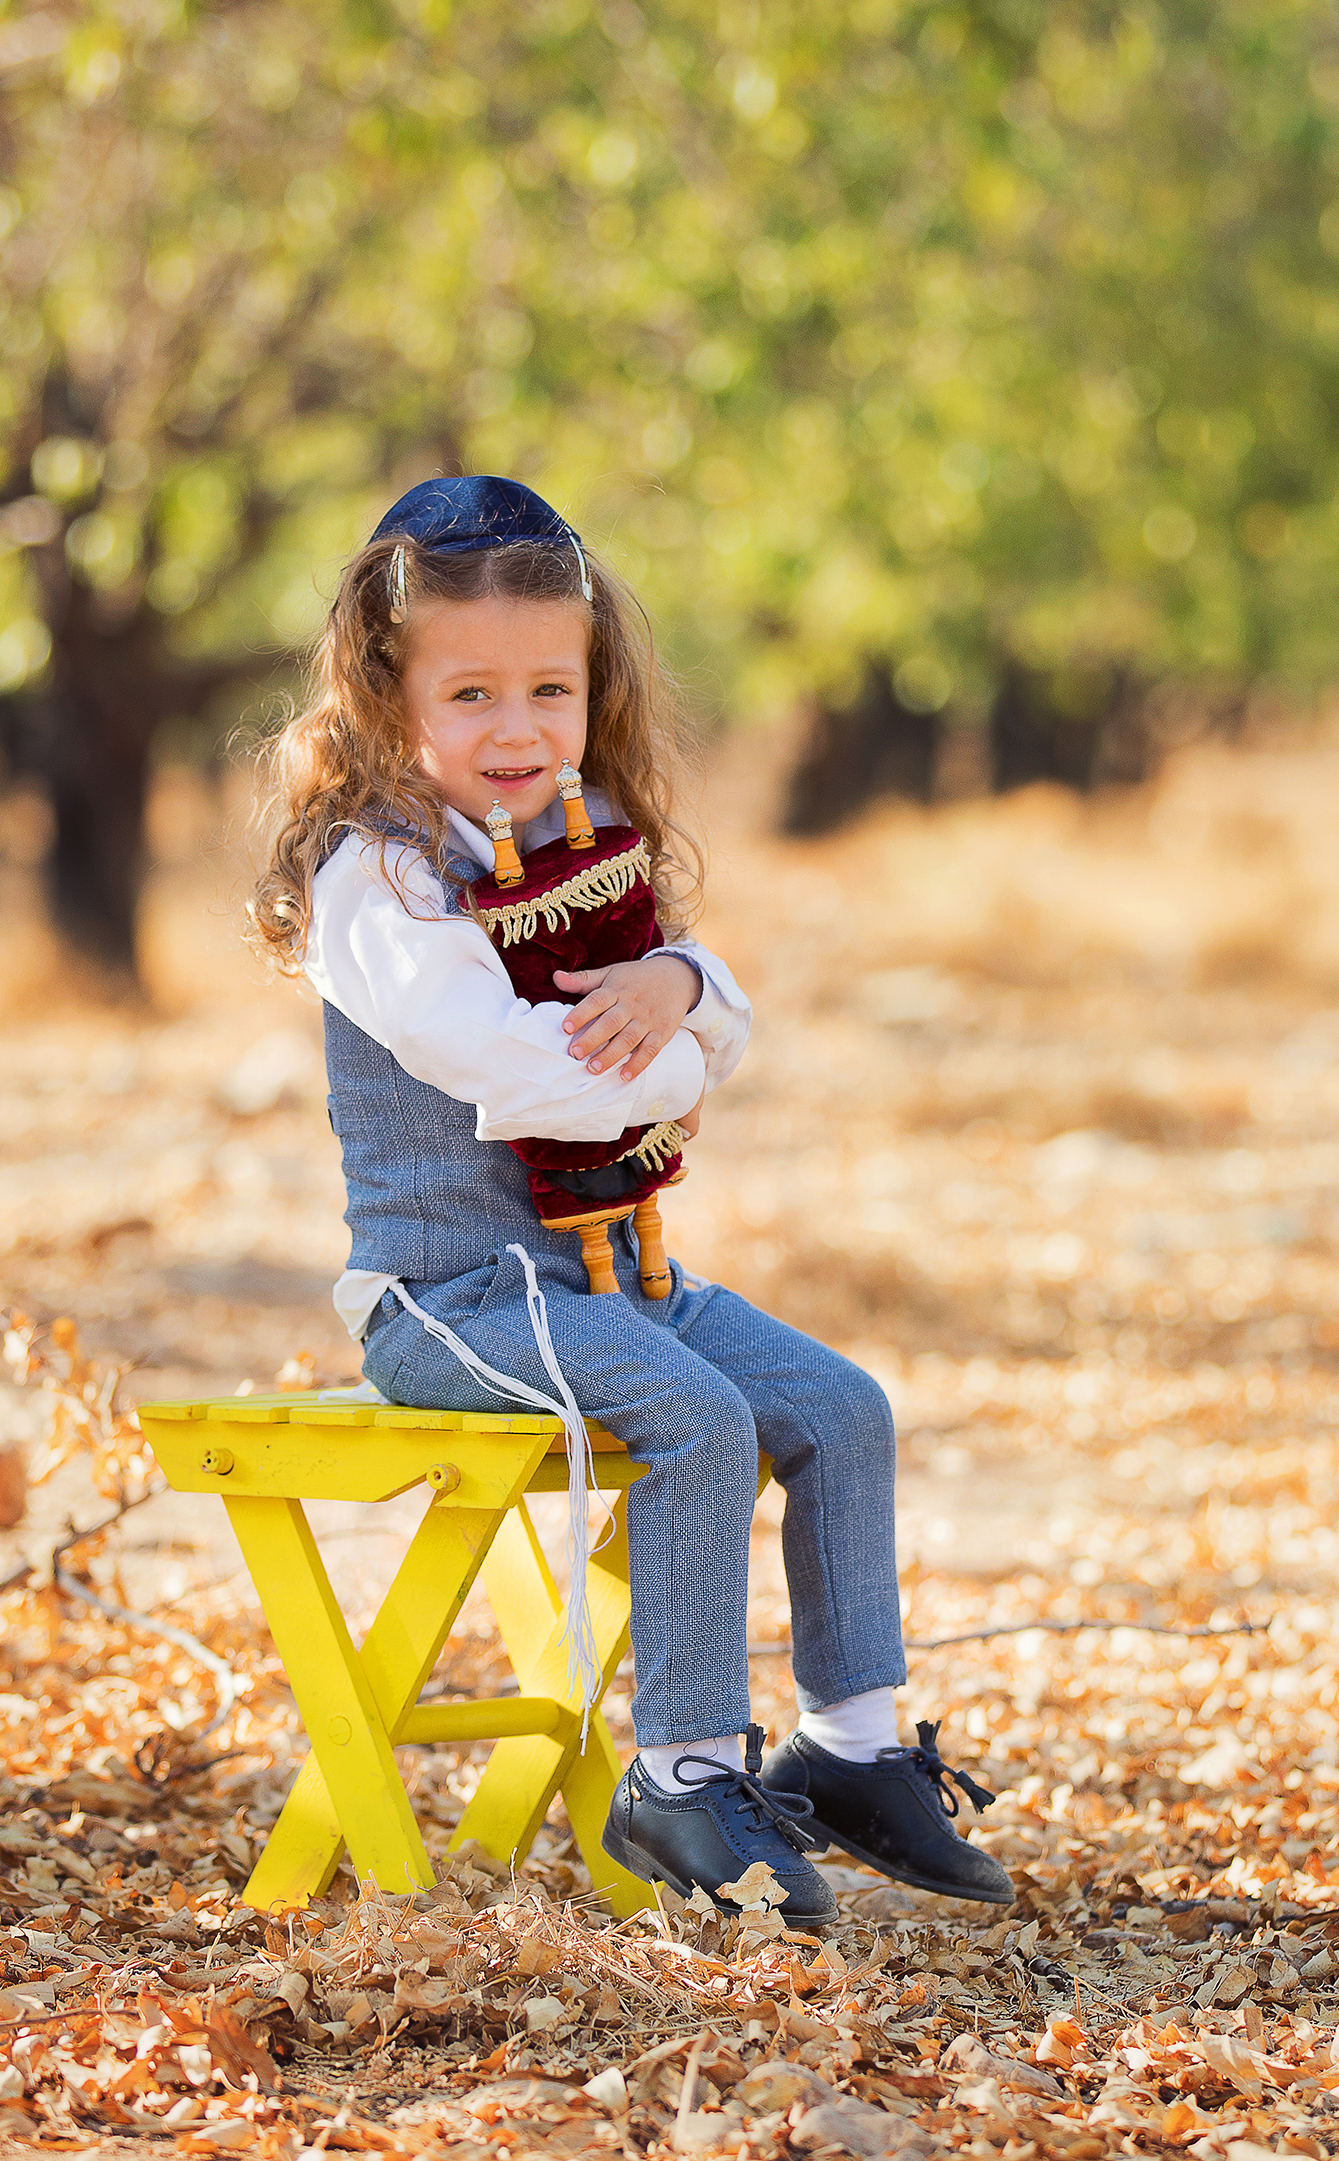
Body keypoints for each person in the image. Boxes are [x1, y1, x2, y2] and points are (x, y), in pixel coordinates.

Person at [245, 475, 1010, 1928]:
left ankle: (849, 1749)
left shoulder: (573, 852)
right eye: (470, 692)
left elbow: (715, 1005)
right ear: (379, 693)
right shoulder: (385, 885)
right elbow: (525, 1076)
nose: (520, 728)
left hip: (612, 1278)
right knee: (699, 1418)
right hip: (454, 1296)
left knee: (842, 1408)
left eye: (553, 686)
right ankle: (682, 1771)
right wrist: (682, 1054)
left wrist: (679, 984)